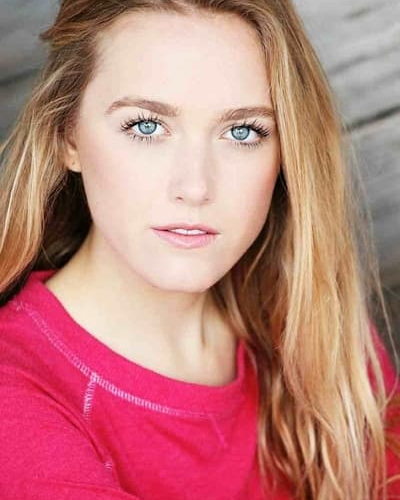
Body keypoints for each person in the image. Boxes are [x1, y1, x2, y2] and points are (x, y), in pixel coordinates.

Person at [0, 0, 399, 499]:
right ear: (68, 136)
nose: (195, 187)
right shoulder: (14, 397)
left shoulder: (312, 323)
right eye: (146, 126)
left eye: (242, 132)